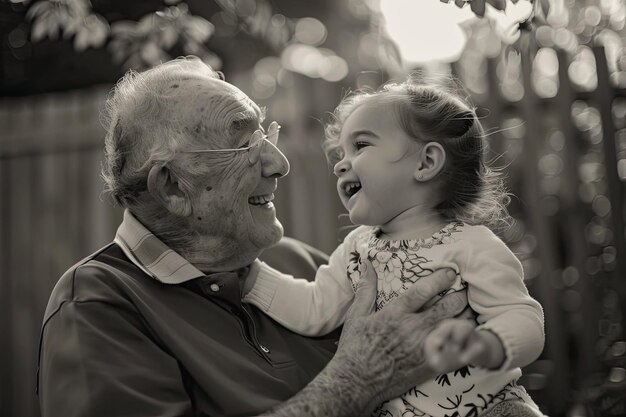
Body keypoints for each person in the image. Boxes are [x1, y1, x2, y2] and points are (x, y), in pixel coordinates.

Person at [36, 57, 471, 417]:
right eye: (245, 143)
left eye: (267, 133)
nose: (279, 163)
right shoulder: (99, 305)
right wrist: (356, 381)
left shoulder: (304, 264)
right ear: (172, 187)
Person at [242, 79, 546, 417]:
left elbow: (522, 316)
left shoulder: (471, 244)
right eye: (341, 153)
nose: (341, 164)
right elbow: (315, 307)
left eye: (360, 146)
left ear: (426, 162)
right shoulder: (356, 247)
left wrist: (490, 343)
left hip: (493, 407)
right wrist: (250, 277)